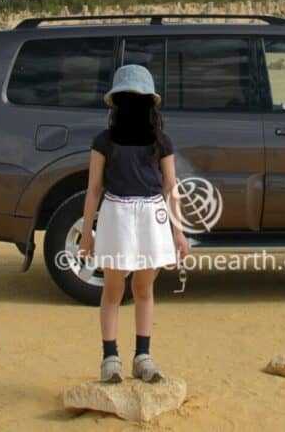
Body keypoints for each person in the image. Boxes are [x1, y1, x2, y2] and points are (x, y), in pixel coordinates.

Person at [77, 64, 190, 383]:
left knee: (144, 287)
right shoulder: (103, 141)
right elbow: (94, 188)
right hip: (117, 215)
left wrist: (178, 232)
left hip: (152, 217)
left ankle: (143, 357)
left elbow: (171, 188)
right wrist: (87, 234)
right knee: (113, 289)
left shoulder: (161, 141)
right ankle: (110, 358)